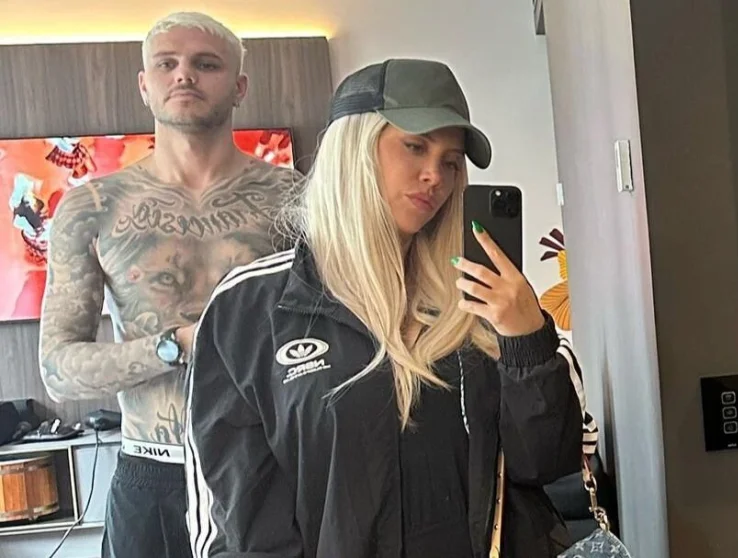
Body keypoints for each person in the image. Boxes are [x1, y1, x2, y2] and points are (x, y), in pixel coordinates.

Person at [183, 58, 599, 558]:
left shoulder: (481, 299)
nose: (434, 176)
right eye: (415, 146)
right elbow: (236, 517)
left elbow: (546, 467)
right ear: (354, 149)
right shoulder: (250, 309)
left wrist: (527, 340)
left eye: (451, 161)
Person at [36, 12, 302, 558]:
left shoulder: (295, 199)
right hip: (154, 475)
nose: (184, 75)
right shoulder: (92, 209)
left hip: (268, 468)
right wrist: (173, 345)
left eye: (206, 64)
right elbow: (57, 369)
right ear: (144, 84)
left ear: (239, 87)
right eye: (167, 63)